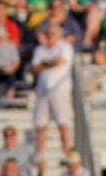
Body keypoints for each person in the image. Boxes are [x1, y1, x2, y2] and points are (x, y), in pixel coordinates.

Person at [30, 21, 74, 159]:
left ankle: (66, 152)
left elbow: (60, 61)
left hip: (60, 88)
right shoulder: (40, 49)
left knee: (63, 121)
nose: (50, 36)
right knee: (40, 122)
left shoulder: (65, 47)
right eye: (48, 34)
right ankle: (40, 153)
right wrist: (49, 63)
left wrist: (44, 64)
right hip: (43, 89)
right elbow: (35, 68)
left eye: (53, 34)